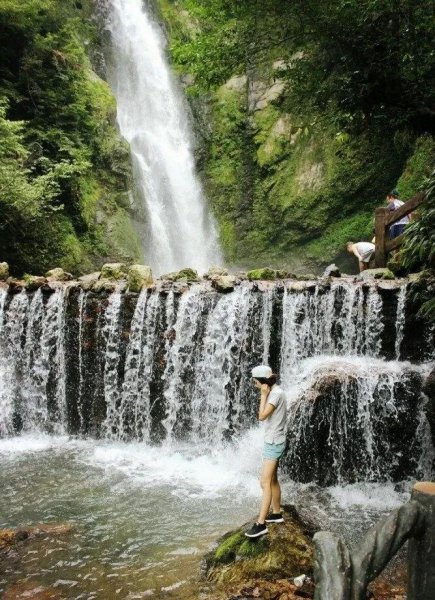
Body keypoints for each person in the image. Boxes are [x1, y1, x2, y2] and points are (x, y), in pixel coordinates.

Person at [245, 365, 287, 538]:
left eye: (255, 382)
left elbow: (262, 416)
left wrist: (263, 395)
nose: (254, 385)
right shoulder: (276, 391)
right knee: (273, 479)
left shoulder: (274, 395)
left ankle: (261, 524)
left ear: (263, 382)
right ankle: (276, 514)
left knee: (264, 482)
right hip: (276, 440)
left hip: (274, 443)